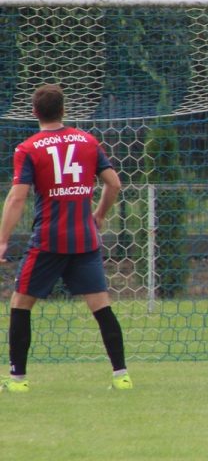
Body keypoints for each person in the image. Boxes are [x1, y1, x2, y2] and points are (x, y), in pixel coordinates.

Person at [0, 84, 131, 393]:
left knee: (20, 304)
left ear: (34, 112)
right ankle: (121, 375)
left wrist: (3, 239)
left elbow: (17, 198)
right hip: (84, 239)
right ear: (64, 110)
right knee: (101, 306)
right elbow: (113, 184)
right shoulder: (88, 142)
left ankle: (17, 380)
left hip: (48, 240)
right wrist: (98, 215)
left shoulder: (28, 149)